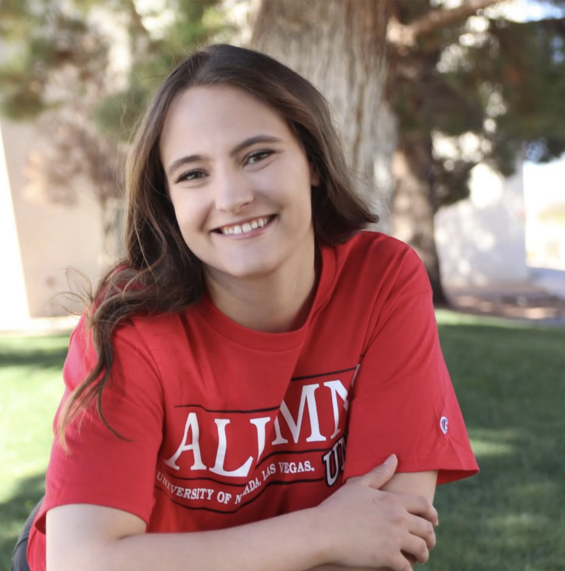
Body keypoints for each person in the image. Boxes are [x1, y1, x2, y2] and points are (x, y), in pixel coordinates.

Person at [19, 44, 478, 571]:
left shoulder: (382, 280)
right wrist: (322, 532)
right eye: (193, 174)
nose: (233, 196)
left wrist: (340, 538)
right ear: (168, 200)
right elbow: (82, 562)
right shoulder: (129, 322)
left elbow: (388, 533)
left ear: (312, 161)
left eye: (257, 155)